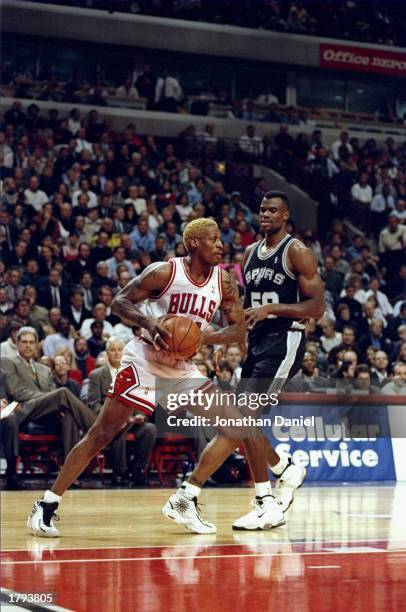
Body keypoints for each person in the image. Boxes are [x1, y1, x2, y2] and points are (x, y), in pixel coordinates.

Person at [28, 218, 282, 537]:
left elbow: (239, 329)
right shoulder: (165, 272)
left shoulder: (224, 282)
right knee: (101, 433)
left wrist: (204, 339)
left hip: (181, 368)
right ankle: (46, 506)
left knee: (236, 426)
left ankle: (185, 498)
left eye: (221, 240)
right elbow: (120, 302)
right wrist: (147, 323)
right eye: (213, 239)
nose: (221, 245)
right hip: (144, 361)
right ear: (193, 244)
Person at [231, 190, 325, 530]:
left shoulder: (297, 251)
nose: (265, 215)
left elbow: (316, 307)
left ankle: (265, 502)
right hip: (258, 342)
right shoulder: (249, 253)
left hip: (286, 338)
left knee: (242, 417)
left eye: (272, 210)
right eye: (261, 210)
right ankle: (285, 468)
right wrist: (239, 338)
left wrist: (271, 309)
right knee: (239, 421)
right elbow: (249, 305)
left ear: (286, 216)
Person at [87, 337, 157, 486]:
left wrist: (141, 415)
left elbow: (141, 398)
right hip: (110, 421)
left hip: (132, 420)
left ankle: (137, 470)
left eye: (120, 349)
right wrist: (110, 417)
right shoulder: (96, 375)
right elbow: (93, 403)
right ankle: (120, 472)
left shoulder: (135, 373)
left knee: (150, 429)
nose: (117, 353)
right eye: (113, 350)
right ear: (107, 353)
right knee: (119, 429)